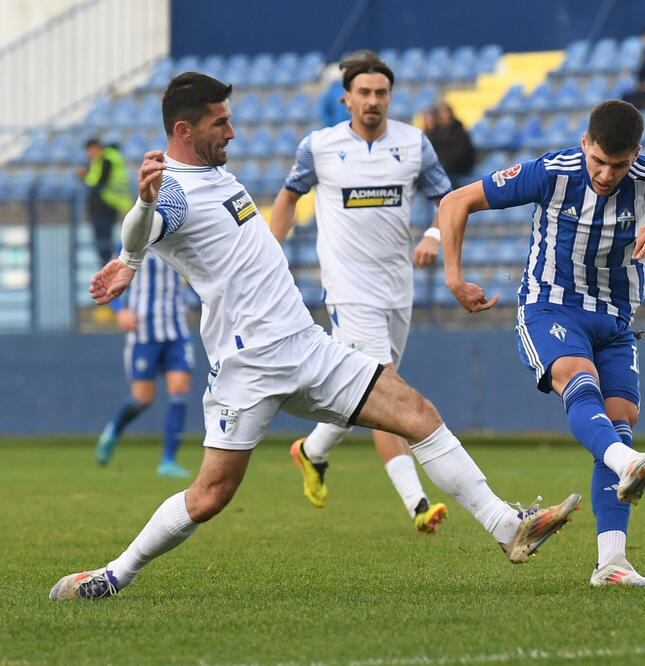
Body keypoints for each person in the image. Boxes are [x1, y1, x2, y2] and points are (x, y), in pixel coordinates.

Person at [50, 72, 581, 601]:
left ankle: (508, 527)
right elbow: (146, 222)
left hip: (305, 345)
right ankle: (114, 575)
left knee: (418, 414)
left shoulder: (215, 173)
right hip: (250, 366)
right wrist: (134, 238)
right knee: (210, 495)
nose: (232, 132)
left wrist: (132, 257)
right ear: (185, 130)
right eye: (221, 122)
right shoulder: (170, 190)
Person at [437, 100, 645, 587]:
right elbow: (455, 202)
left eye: (618, 165)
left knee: (619, 421)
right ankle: (628, 465)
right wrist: (454, 277)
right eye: (598, 161)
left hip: (616, 321)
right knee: (581, 384)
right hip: (550, 306)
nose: (604, 174)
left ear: (636, 154)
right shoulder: (550, 173)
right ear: (585, 144)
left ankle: (611, 563)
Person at [270, 51, 451, 534]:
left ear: (391, 97)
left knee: (360, 396)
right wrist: (269, 253)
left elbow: (448, 202)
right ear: (346, 99)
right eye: (364, 93)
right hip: (348, 292)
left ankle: (311, 450)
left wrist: (434, 236)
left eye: (381, 93)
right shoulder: (320, 147)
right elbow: (289, 197)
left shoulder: (414, 144)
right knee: (384, 388)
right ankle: (418, 504)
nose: (373, 101)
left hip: (398, 290)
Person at [97, 249, 194, 478]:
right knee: (142, 399)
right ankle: (114, 429)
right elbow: (105, 280)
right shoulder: (133, 238)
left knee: (179, 391)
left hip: (176, 331)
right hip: (143, 333)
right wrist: (120, 311)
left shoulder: (181, 234)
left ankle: (168, 461)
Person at [78, 138, 133, 263]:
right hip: (110, 205)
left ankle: (108, 270)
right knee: (105, 243)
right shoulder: (110, 159)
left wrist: (85, 176)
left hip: (105, 205)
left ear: (96, 147)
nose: (89, 155)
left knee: (104, 243)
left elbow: (99, 181)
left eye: (90, 151)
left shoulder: (105, 160)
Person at [427, 104, 476, 186]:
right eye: (442, 113)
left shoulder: (460, 132)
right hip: (441, 169)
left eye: (446, 113)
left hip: (457, 171)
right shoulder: (436, 132)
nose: (445, 116)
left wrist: (444, 164)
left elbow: (462, 153)